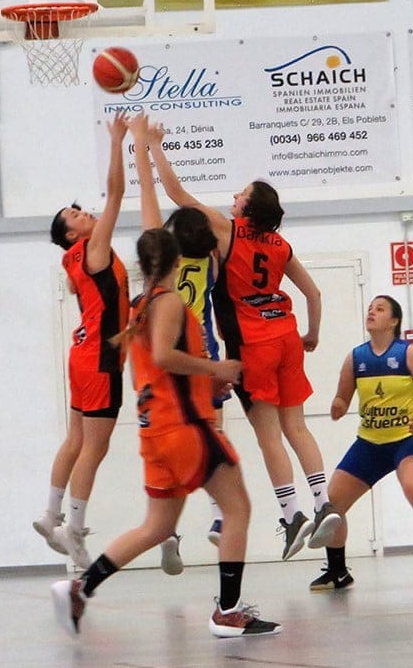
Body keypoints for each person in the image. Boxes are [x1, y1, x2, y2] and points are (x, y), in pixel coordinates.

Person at [50, 228, 280, 638]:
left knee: (156, 527)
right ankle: (228, 611)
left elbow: (148, 374)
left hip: (155, 430)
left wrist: (204, 385)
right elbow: (162, 356)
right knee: (238, 509)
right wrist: (216, 369)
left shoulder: (139, 306)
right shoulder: (170, 302)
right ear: (179, 262)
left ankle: (80, 589)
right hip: (185, 427)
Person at [148, 127, 341, 561]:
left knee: (268, 436)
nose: (233, 196)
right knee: (298, 427)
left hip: (252, 343)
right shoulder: (280, 244)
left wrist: (155, 148)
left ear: (248, 208)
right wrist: (313, 334)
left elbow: (178, 193)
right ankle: (323, 501)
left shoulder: (226, 229)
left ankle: (292, 515)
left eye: (240, 193)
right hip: (287, 335)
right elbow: (314, 293)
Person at [310, 295, 413, 591]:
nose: (372, 312)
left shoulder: (409, 355)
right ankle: (337, 572)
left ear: (394, 321)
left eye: (380, 309)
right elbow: (342, 397)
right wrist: (337, 405)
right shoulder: (355, 357)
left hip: (408, 441)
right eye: (370, 308)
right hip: (370, 443)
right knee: (332, 505)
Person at [129, 113, 231, 567]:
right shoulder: (214, 256)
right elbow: (177, 197)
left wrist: (143, 145)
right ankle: (217, 518)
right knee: (212, 434)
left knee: (167, 440)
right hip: (202, 346)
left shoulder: (159, 263)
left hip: (165, 360)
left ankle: (166, 530)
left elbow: (152, 192)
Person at [32, 111, 131, 570]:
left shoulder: (75, 258)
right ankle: (74, 528)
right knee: (96, 445)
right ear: (72, 234)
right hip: (101, 358)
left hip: (83, 352)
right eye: (76, 214)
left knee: (76, 437)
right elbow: (117, 194)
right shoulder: (93, 249)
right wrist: (118, 141)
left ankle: (50, 513)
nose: (86, 212)